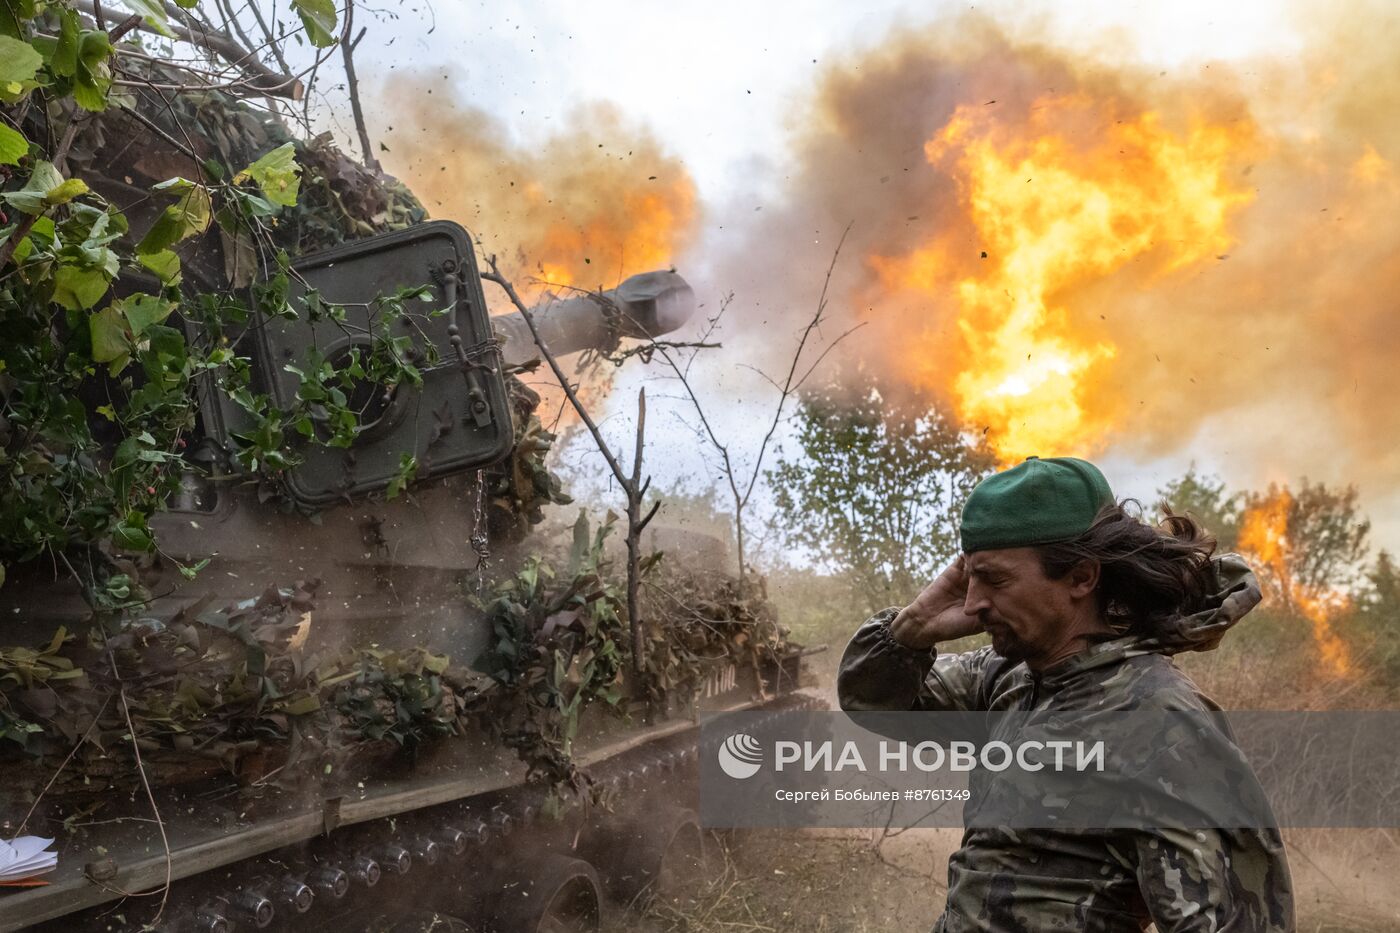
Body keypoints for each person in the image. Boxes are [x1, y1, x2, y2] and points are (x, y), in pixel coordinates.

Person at [837, 456, 1294, 932]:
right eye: (967, 576)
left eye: (994, 579)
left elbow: (1234, 922)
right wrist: (912, 629)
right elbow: (874, 705)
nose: (972, 604)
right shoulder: (1004, 679)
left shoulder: (1156, 721)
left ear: (1081, 577)